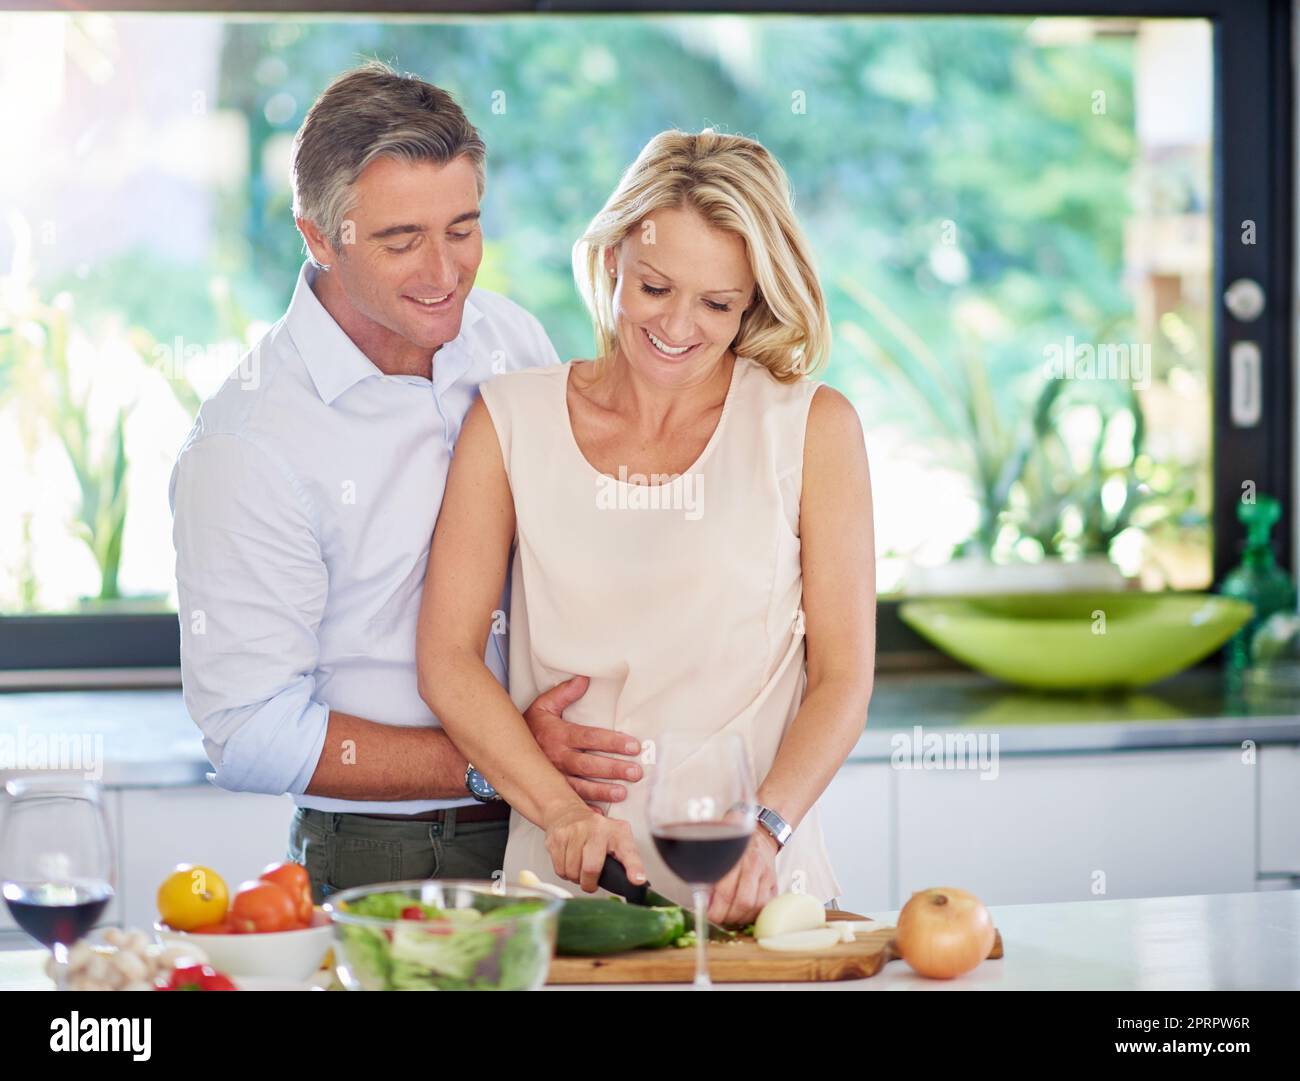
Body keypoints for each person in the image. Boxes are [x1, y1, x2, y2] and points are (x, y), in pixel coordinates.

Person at [169, 61, 642, 904]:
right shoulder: (247, 445)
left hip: (562, 826)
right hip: (393, 856)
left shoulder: (508, 338)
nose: (444, 271)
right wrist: (498, 762)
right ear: (318, 236)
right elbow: (249, 734)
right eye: (400, 241)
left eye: (462, 228)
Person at [417, 129, 876, 924]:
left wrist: (766, 830)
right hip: (570, 892)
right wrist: (559, 812)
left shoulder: (812, 427)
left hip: (758, 894)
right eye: (656, 288)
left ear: (754, 302)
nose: (679, 326)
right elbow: (448, 658)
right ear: (610, 263)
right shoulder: (510, 420)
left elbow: (842, 679)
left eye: (718, 303)